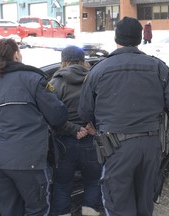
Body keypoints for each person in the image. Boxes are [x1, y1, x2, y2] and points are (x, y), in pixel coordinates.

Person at [78, 16, 169, 216]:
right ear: (140, 39)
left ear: (116, 38)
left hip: (115, 148)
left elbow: (84, 112)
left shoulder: (98, 70)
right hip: (150, 147)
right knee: (144, 205)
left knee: (119, 205)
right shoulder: (158, 67)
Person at [0, 38, 68, 216]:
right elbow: (57, 116)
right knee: (37, 209)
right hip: (28, 160)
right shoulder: (33, 79)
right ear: (16, 55)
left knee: (9, 210)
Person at [49, 45, 102, 216]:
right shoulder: (95, 79)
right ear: (83, 61)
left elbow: (51, 116)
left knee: (63, 185)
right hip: (92, 142)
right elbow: (104, 107)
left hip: (64, 144)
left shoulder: (55, 83)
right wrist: (94, 125)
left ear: (63, 61)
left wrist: (71, 129)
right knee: (93, 182)